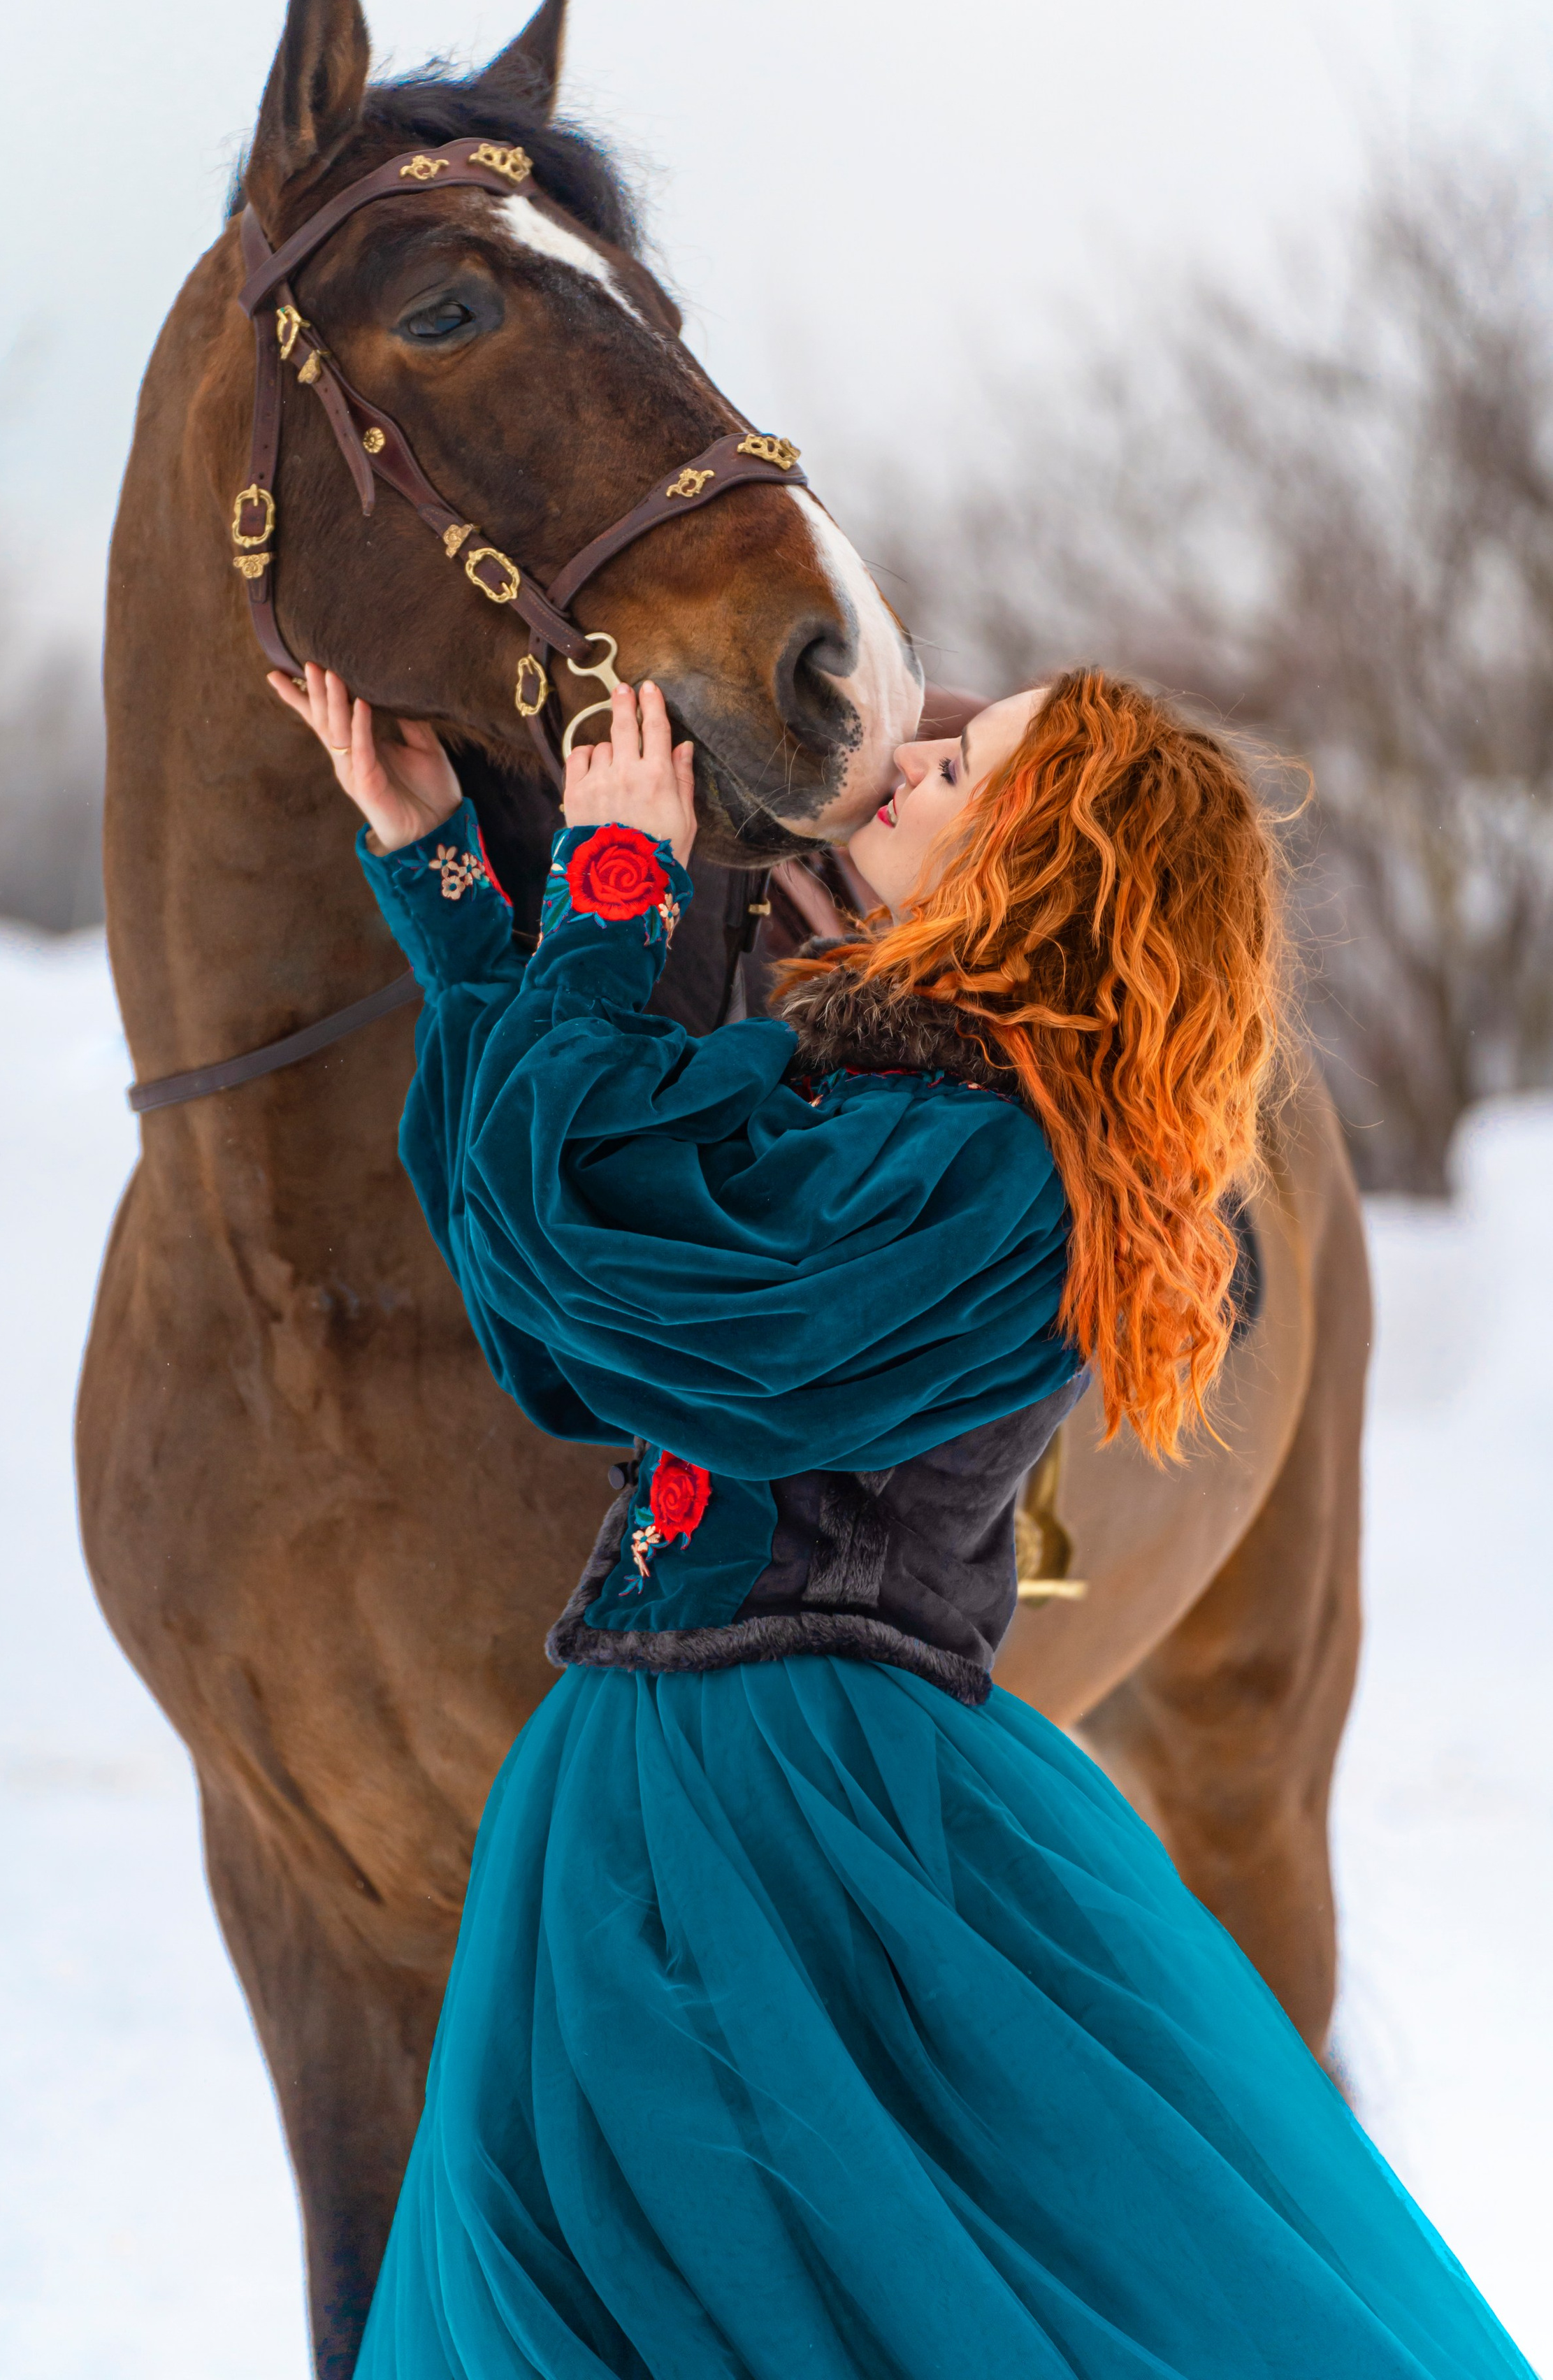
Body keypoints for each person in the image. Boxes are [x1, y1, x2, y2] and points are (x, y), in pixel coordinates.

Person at [270, 658, 1533, 2380]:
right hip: (655, 1786)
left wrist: (616, 889)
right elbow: (555, 1291)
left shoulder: (994, 1175)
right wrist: (441, 875)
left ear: (1037, 866)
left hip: (792, 1816)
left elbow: (599, 1237)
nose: (907, 761)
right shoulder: (878, 1110)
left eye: (961, 766)